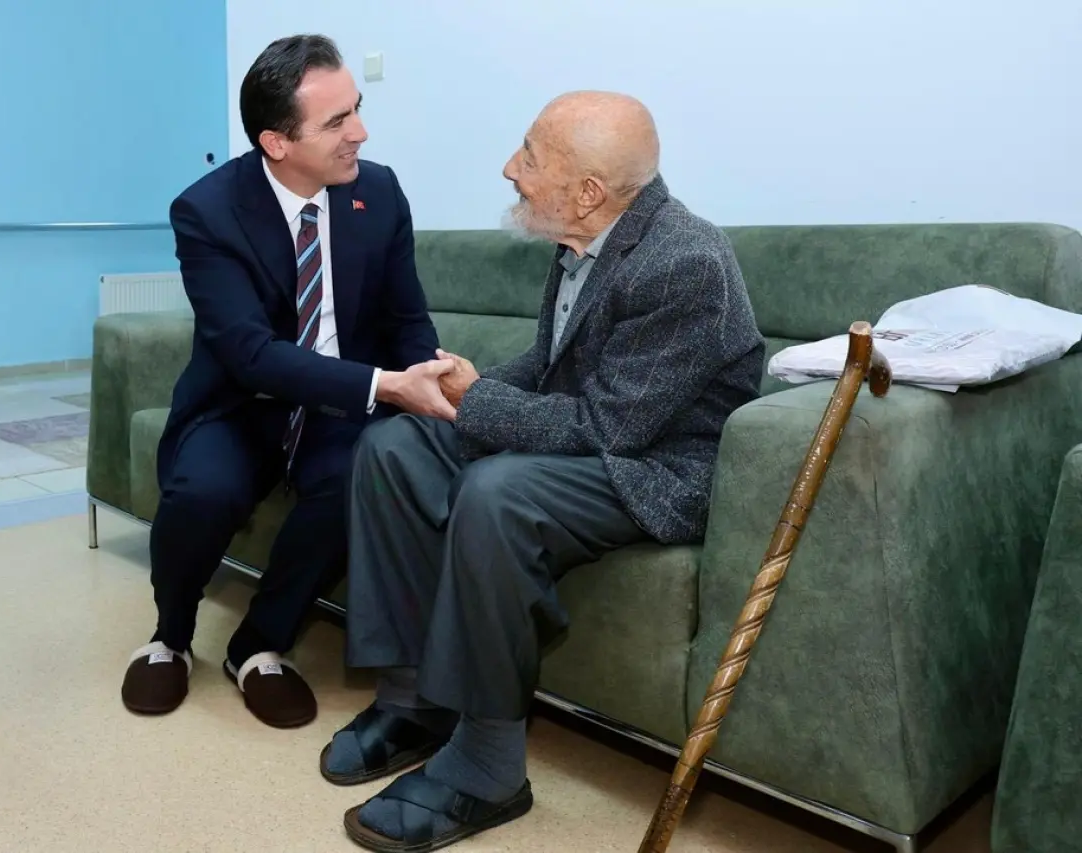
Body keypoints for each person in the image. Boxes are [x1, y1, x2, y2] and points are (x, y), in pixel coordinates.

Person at [318, 91, 766, 850]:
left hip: (656, 470)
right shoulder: (582, 237)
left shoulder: (683, 262)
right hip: (604, 440)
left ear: (587, 190)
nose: (509, 169)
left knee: (498, 493)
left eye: (529, 156)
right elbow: (552, 364)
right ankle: (413, 699)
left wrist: (477, 402)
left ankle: (488, 767)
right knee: (394, 445)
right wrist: (456, 389)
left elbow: (610, 428)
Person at [120, 34, 455, 729]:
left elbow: (406, 319)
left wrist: (425, 377)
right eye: (337, 121)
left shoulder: (378, 193)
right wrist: (386, 386)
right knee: (201, 491)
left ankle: (258, 644)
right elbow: (248, 352)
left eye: (356, 109)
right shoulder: (207, 211)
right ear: (276, 142)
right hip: (244, 402)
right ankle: (170, 636)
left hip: (340, 409)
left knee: (360, 477)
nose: (360, 132)